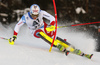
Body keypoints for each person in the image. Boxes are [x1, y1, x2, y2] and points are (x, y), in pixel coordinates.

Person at [8, 4, 93, 59]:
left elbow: (52, 18)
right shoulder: (25, 17)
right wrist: (15, 36)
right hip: (34, 31)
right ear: (30, 13)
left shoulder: (41, 12)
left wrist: (52, 25)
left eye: (36, 15)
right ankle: (58, 45)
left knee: (54, 37)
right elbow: (17, 25)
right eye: (33, 15)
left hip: (44, 27)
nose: (35, 17)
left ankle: (73, 48)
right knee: (40, 33)